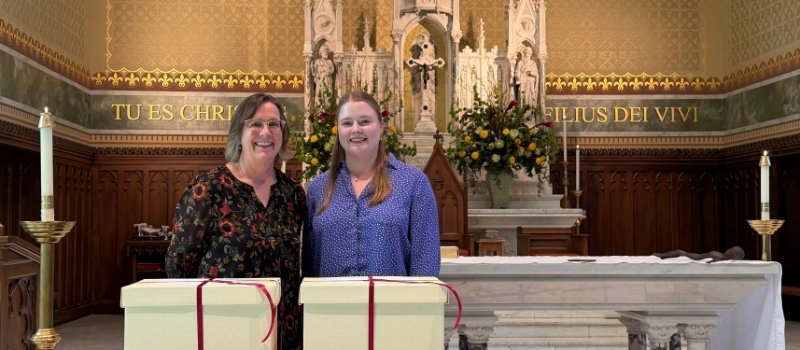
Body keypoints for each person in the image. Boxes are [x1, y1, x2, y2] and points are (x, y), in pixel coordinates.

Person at [165, 93, 305, 349]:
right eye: (256, 124)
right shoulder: (208, 189)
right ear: (239, 131)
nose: (266, 132)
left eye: (274, 124)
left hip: (284, 330)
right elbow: (180, 264)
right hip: (224, 326)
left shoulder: (292, 194)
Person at [303, 91, 440, 277]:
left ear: (381, 127)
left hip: (392, 303)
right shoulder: (318, 188)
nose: (356, 129)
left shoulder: (413, 184)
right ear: (338, 130)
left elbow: (425, 263)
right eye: (347, 123)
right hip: (331, 304)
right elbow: (310, 266)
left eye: (365, 121)